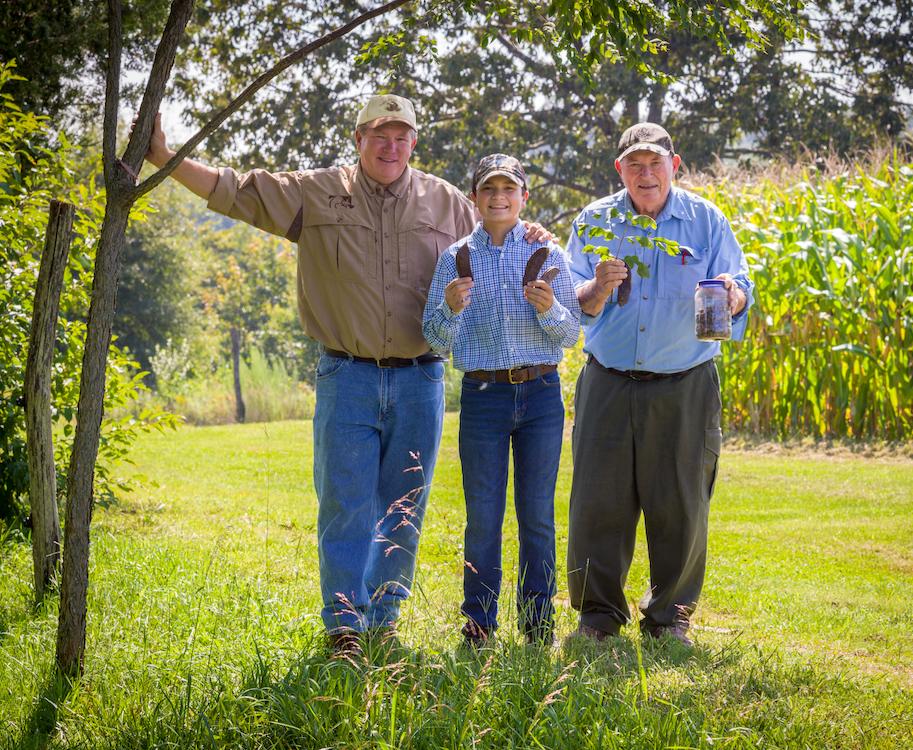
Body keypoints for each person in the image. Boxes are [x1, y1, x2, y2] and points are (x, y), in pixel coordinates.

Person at [136, 95, 552, 654]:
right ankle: (344, 624)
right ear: (358, 139)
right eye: (380, 134)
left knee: (404, 506)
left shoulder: (445, 201)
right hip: (346, 375)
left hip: (419, 378)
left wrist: (538, 235)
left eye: (402, 135)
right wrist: (164, 157)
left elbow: (500, 221)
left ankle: (384, 618)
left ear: (413, 143)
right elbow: (236, 191)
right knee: (345, 501)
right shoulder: (315, 191)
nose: (391, 145)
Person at [564, 123, 754, 646]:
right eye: (634, 164)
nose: (645, 174)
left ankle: (670, 618)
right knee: (598, 503)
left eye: (655, 163)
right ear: (619, 169)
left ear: (675, 164)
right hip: (607, 380)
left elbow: (738, 281)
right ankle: (597, 618)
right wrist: (596, 286)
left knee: (682, 502)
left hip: (685, 381)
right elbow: (569, 301)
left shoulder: (705, 220)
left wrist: (734, 296)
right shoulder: (595, 221)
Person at [423, 154, 580, 649]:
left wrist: (551, 308)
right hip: (483, 396)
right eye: (489, 189)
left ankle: (537, 629)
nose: (499, 197)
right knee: (483, 516)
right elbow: (433, 336)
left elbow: (572, 332)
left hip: (541, 395)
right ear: (475, 198)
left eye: (509, 189)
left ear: (523, 197)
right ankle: (479, 627)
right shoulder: (456, 257)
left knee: (537, 515)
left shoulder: (547, 252)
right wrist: (448, 308)